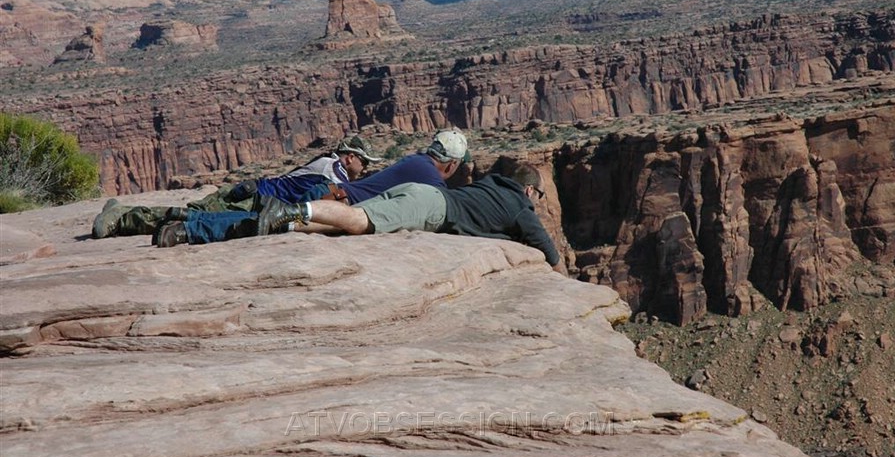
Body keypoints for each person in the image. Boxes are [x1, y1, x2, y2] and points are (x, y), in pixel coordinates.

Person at [155, 128, 469, 247]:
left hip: (331, 198)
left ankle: (187, 224)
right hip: (335, 205)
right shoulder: (430, 178)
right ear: (452, 164)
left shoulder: (417, 161)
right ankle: (188, 230)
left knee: (265, 224)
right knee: (266, 227)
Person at [256, 162, 568, 276]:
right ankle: (288, 210)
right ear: (529, 189)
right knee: (359, 220)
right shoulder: (519, 206)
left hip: (422, 196)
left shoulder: (492, 186)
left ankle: (287, 224)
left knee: (346, 227)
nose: (537, 202)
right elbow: (549, 253)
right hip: (429, 208)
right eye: (538, 196)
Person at [91, 134, 381, 239]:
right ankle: (121, 215)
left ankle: (125, 218)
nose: (365, 168)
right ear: (350, 156)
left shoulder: (332, 167)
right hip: (252, 199)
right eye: (364, 162)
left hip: (255, 196)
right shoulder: (333, 171)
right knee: (189, 213)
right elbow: (322, 200)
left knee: (190, 213)